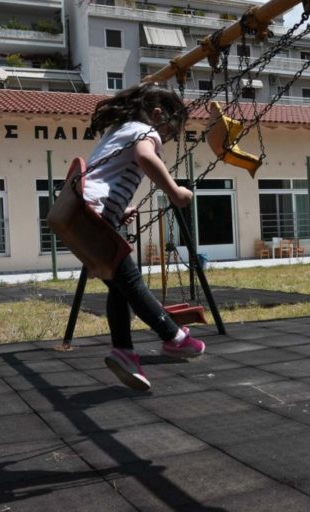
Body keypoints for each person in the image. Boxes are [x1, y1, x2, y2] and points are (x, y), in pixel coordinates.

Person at [83, 82, 205, 391]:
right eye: (170, 132)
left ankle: (123, 352)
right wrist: (175, 191)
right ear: (157, 114)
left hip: (77, 215)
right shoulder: (143, 131)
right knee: (133, 283)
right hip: (93, 215)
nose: (168, 138)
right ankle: (174, 337)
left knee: (120, 287)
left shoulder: (117, 132)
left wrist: (119, 210)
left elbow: (103, 175)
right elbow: (144, 155)